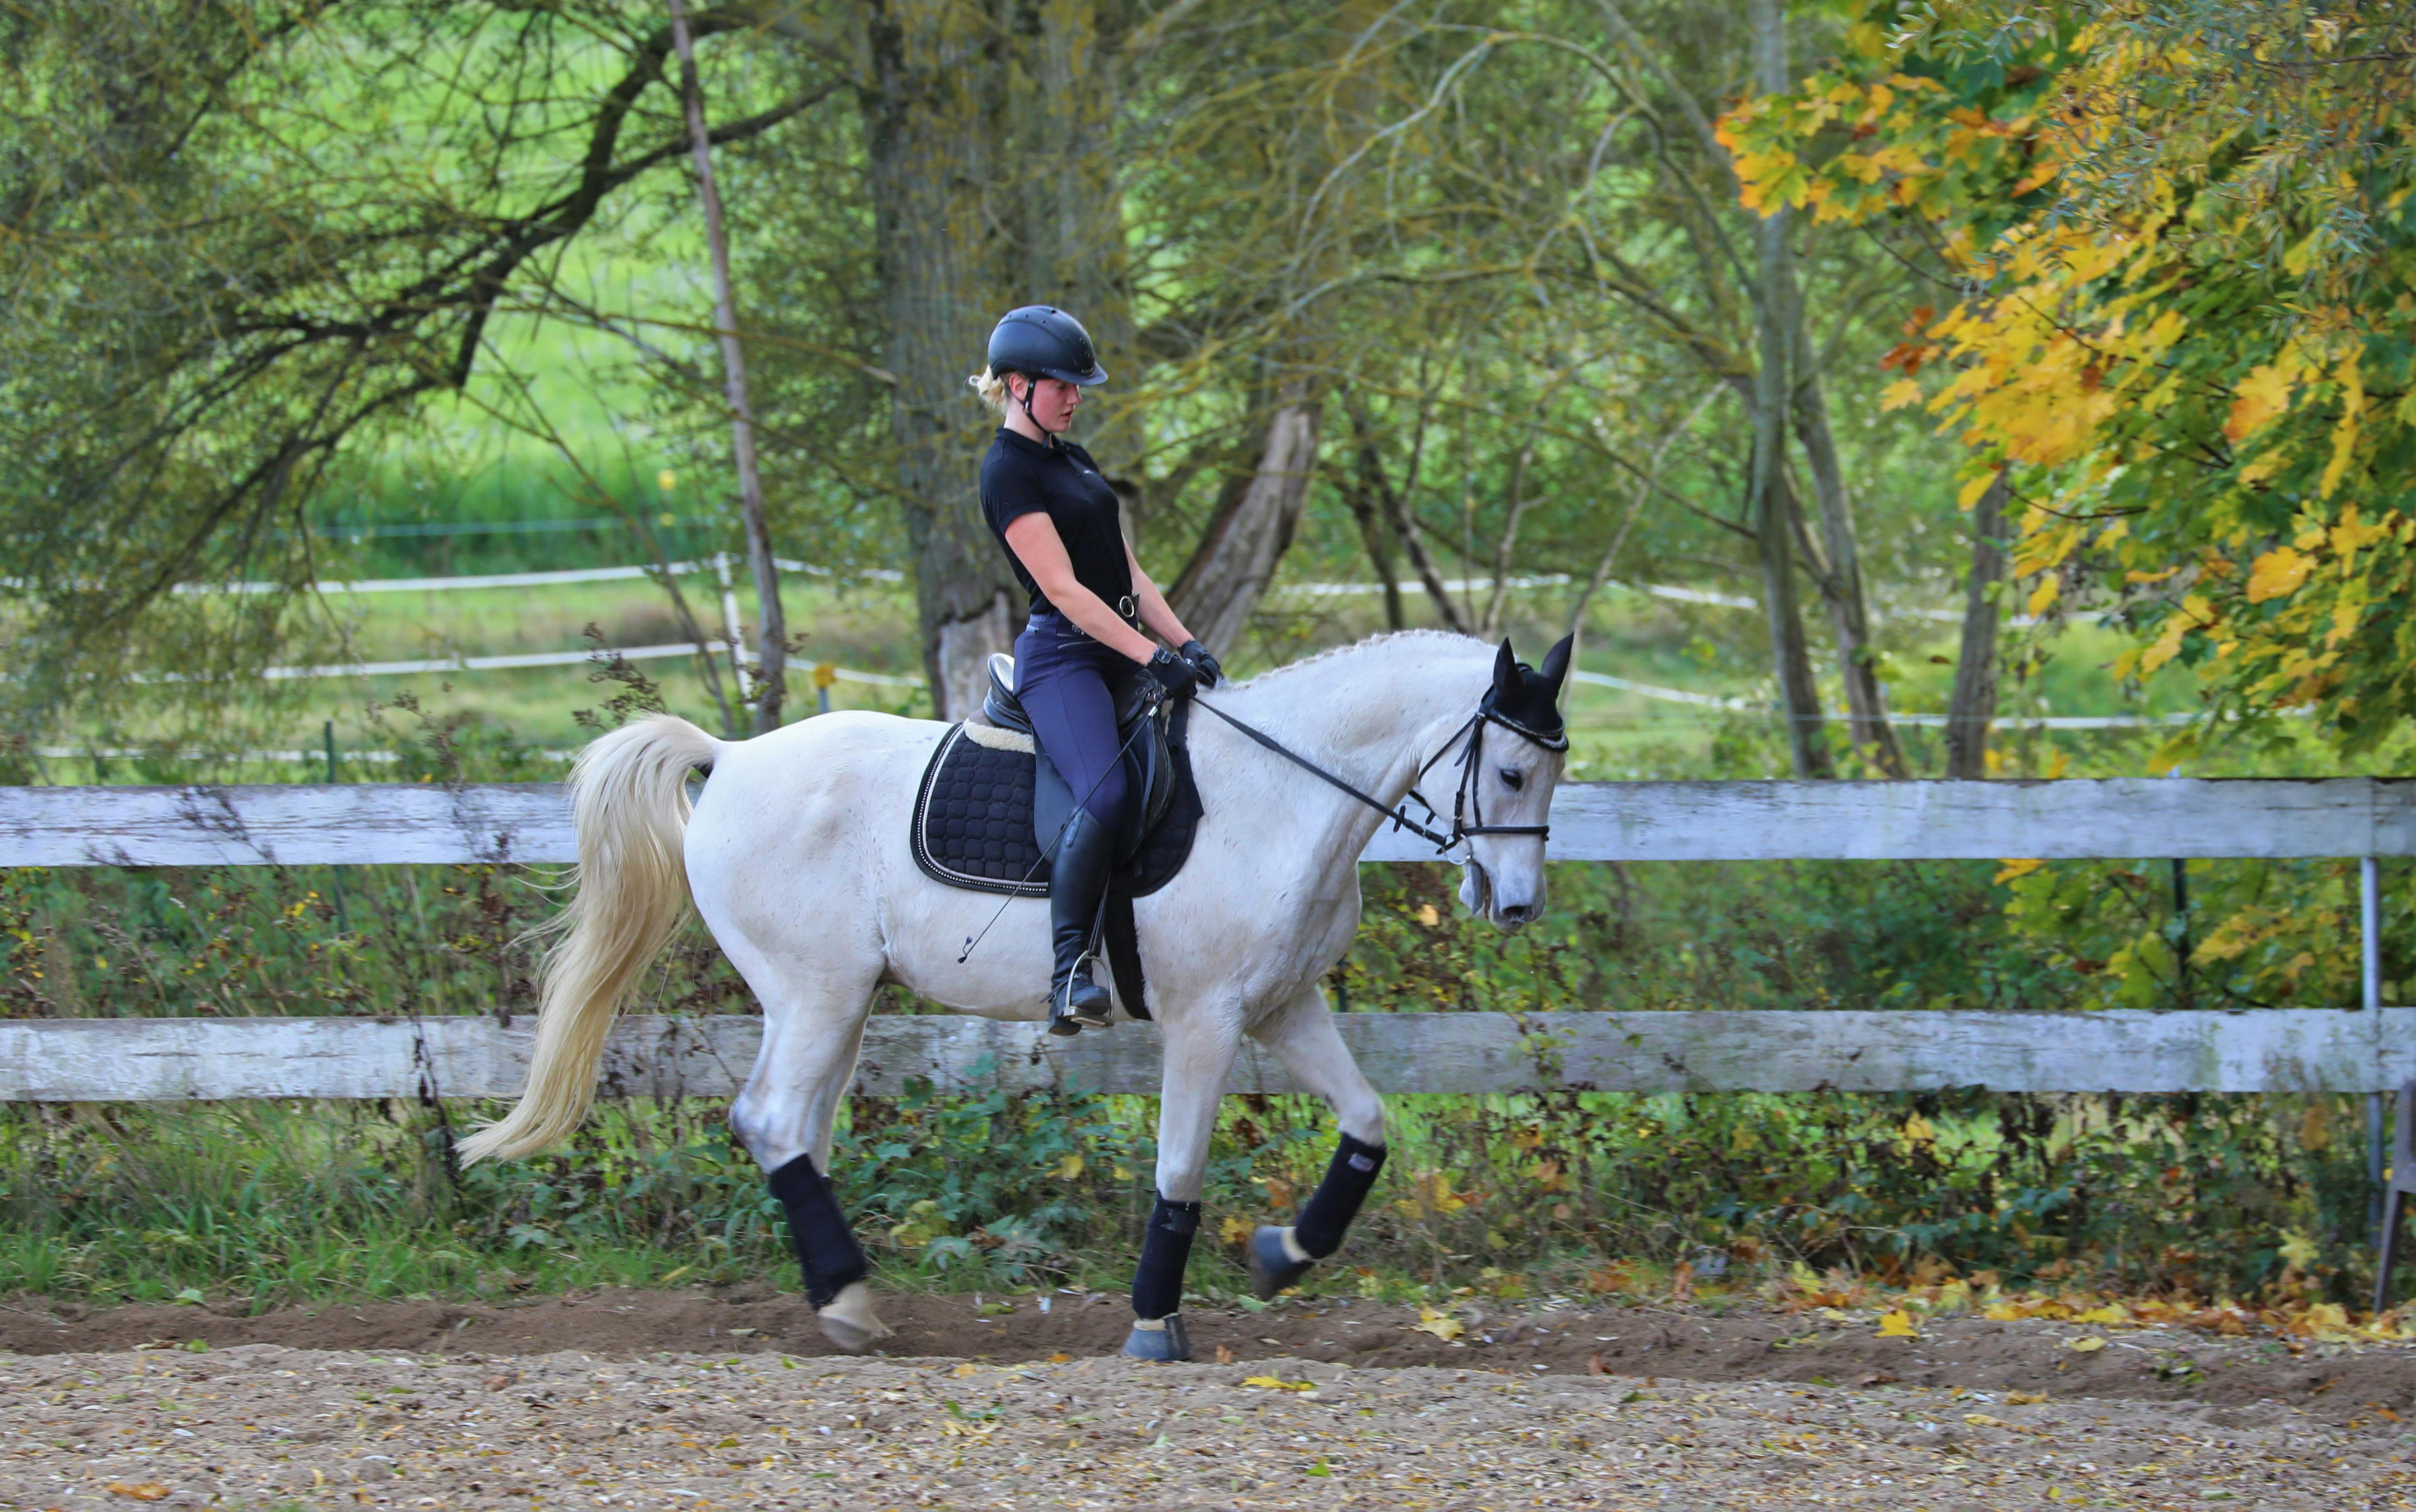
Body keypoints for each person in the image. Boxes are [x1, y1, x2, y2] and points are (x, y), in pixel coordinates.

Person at [970, 306, 1222, 1036]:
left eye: (1081, 387)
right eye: (1063, 386)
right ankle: (1068, 970)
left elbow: (1126, 571)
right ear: (1018, 386)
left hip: (1119, 645)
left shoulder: (1071, 459)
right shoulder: (1008, 471)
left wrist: (1186, 643)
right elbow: (1065, 590)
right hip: (1063, 658)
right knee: (1105, 794)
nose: (1076, 398)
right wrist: (1152, 656)